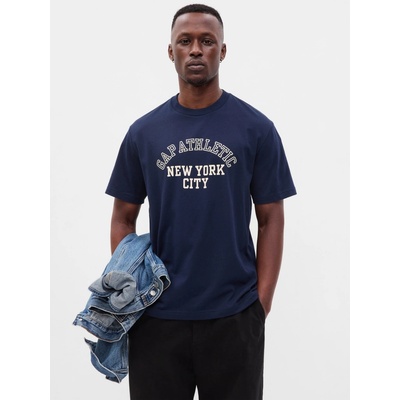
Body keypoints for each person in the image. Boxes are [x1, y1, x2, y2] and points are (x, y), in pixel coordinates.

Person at [106, 4, 296, 399]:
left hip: (234, 315)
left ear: (222, 51)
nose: (196, 49)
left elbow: (271, 219)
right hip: (156, 317)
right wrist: (131, 291)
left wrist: (260, 305)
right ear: (170, 51)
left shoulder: (256, 129)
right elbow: (123, 217)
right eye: (185, 41)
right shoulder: (144, 133)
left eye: (207, 41)